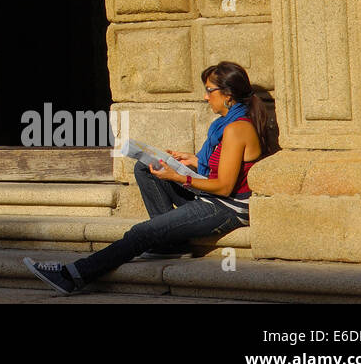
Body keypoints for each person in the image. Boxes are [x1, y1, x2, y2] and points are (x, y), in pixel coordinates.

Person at [23, 61, 277, 295]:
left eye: (209, 90)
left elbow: (223, 187)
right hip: (211, 196)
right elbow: (222, 165)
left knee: (141, 233)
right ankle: (171, 246)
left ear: (228, 94)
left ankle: (73, 275)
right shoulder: (226, 124)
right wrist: (191, 161)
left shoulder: (236, 128)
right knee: (146, 168)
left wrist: (179, 177)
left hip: (225, 208)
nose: (205, 96)